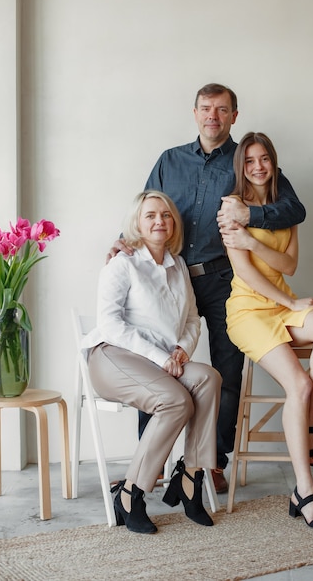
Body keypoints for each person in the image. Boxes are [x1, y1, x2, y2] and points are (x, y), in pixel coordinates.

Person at [107, 83, 306, 493]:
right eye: (205, 108)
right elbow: (147, 206)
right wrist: (122, 238)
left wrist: (251, 212)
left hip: (224, 280)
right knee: (155, 368)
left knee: (225, 372)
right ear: (195, 113)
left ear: (235, 115)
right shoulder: (170, 160)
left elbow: (294, 209)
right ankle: (152, 464)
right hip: (171, 276)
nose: (212, 115)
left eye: (221, 109)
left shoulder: (245, 161)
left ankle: (211, 463)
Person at [220, 131, 313, 530]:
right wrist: (290, 303)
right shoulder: (230, 209)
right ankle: (305, 491)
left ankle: (304, 425)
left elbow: (289, 265)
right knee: (301, 386)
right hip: (249, 311)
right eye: (250, 160)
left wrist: (253, 243)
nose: (258, 167)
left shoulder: (284, 209)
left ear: (274, 162)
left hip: (282, 302)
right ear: (241, 166)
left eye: (264, 159)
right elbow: (246, 274)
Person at [83, 190, 221, 533]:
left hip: (162, 364)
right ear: (138, 224)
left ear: (173, 224)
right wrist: (162, 357)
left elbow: (191, 320)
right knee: (175, 401)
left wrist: (182, 352)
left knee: (209, 378)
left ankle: (191, 477)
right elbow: (111, 324)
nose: (159, 221)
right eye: (150, 216)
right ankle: (131, 493)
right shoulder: (123, 263)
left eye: (166, 215)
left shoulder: (178, 269)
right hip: (112, 358)